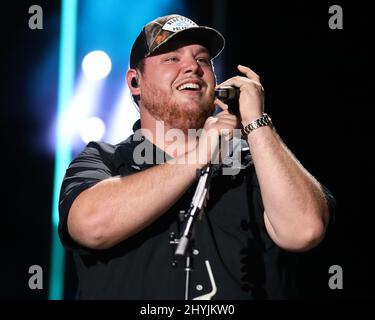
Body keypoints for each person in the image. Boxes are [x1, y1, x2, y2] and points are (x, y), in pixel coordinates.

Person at [58, 14, 335, 300]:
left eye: (203, 59)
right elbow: (92, 226)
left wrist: (256, 122)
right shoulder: (104, 160)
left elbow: (305, 230)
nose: (192, 66)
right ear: (134, 82)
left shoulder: (256, 164)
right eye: (172, 59)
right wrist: (200, 154)